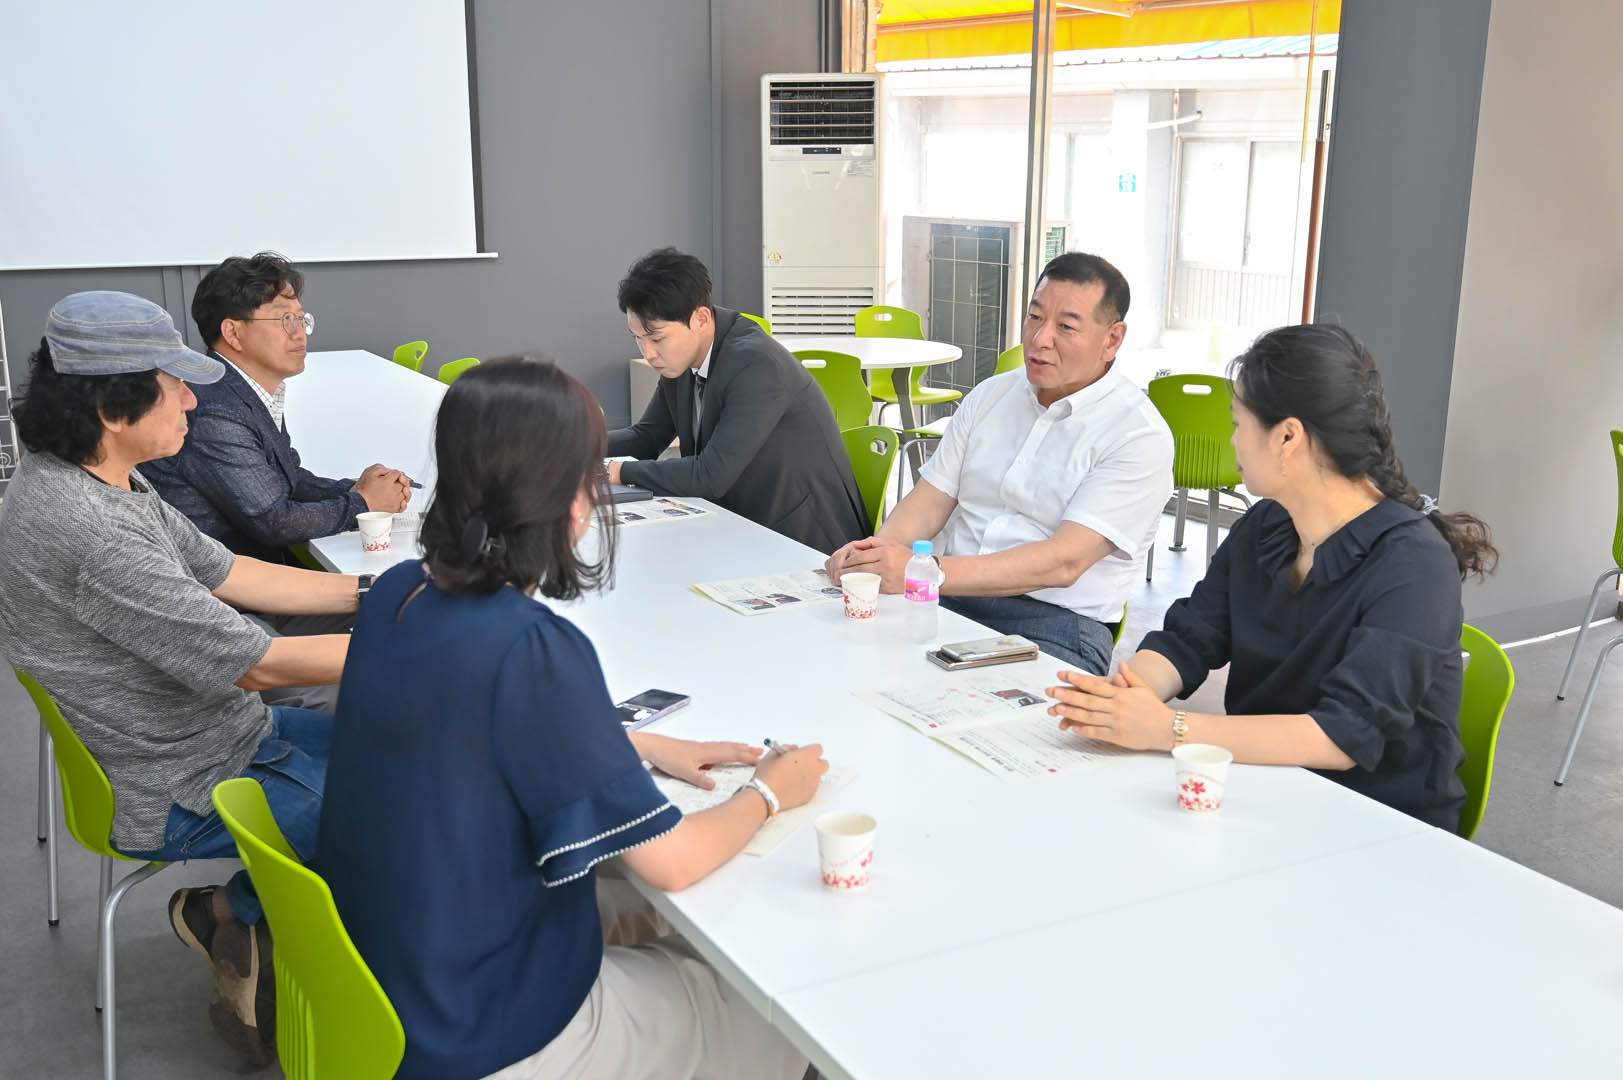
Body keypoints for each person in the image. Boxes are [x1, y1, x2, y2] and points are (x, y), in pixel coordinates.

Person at [319, 356, 823, 1079]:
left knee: (646, 909)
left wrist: (637, 743)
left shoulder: (399, 594)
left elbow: (463, 724)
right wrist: (772, 789)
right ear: (573, 501)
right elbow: (673, 863)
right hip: (487, 1031)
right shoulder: (531, 645)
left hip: (389, 980)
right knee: (770, 997)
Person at [0, 292, 371, 1065]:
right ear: (112, 408)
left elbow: (230, 572)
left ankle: (230, 914)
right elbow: (259, 664)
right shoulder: (92, 531)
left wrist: (381, 594)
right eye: (174, 388)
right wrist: (435, 644)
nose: (193, 403)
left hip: (213, 734)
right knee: (404, 810)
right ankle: (253, 922)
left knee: (404, 751)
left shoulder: (94, 477)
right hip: (182, 783)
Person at [1044, 323, 1498, 830]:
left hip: (1376, 823)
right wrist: (1124, 697)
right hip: (1264, 789)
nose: (1233, 440)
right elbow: (1190, 639)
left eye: (1238, 424)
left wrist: (1167, 728)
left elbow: (1343, 735)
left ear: (1287, 437)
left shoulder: (1415, 563)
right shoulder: (1267, 525)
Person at [825, 252, 1174, 673]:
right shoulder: (992, 395)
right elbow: (930, 500)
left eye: (1066, 327)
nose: (1040, 339)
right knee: (837, 663)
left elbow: (1064, 562)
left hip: (1055, 625)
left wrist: (927, 572)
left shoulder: (1138, 435)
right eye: (1034, 317)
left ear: (1112, 339)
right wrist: (876, 555)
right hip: (943, 599)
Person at [142, 251, 412, 577]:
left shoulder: (240, 387)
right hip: (229, 592)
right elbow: (274, 522)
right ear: (233, 333)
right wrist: (364, 502)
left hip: (256, 575)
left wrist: (362, 488)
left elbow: (288, 478)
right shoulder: (214, 410)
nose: (299, 333)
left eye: (302, 320)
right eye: (285, 320)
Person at [606, 246, 868, 553]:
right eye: (638, 339)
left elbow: (710, 475)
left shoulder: (757, 364)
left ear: (700, 318)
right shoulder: (682, 360)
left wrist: (618, 472)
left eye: (657, 338)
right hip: (741, 524)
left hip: (806, 540)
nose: (648, 353)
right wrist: (575, 448)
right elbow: (647, 437)